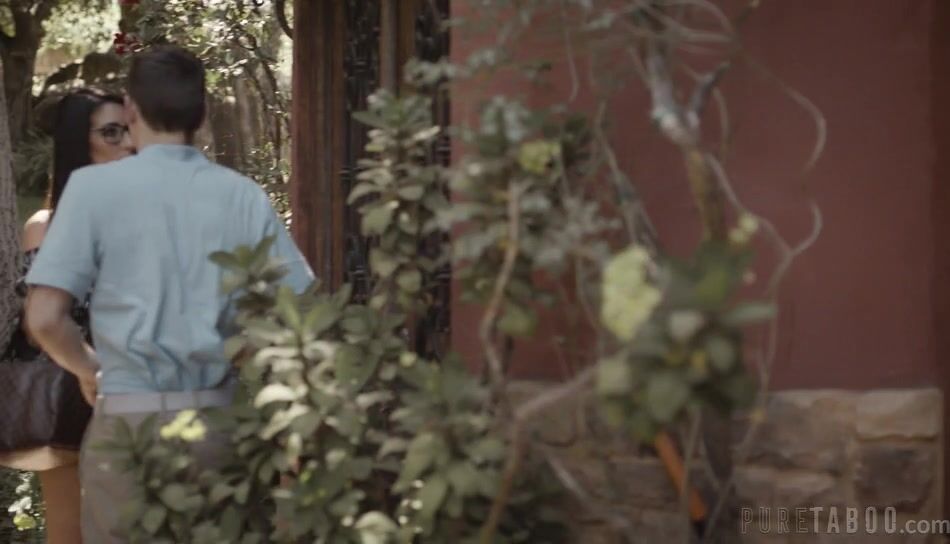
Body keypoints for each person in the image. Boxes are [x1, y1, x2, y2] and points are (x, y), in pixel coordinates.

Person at [23, 45, 313, 543]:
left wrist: (90, 369)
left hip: (125, 423)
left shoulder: (91, 190)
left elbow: (45, 318)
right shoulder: (241, 195)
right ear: (201, 114)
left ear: (131, 110)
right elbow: (298, 309)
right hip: (217, 421)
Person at [0, 88, 134, 544]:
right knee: (68, 529)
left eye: (129, 131)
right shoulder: (46, 225)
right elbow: (38, 322)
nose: (127, 143)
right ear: (80, 142)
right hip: (68, 391)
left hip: (141, 389)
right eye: (111, 132)